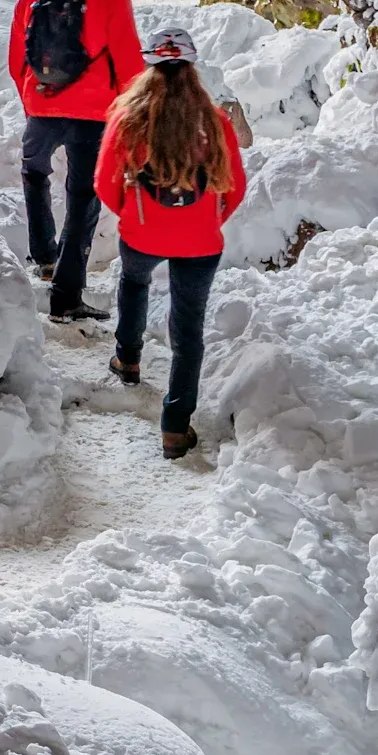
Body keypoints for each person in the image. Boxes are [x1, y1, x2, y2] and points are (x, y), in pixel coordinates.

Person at [98, 27, 247, 457]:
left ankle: (127, 358)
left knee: (134, 282)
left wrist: (133, 215)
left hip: (142, 234)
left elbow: (105, 184)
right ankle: (175, 428)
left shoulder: (130, 120)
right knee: (188, 330)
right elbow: (234, 185)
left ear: (150, 68)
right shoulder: (214, 121)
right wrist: (208, 219)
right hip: (200, 242)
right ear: (192, 68)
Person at [8, 0, 142, 320]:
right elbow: (130, 66)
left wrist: (33, 102)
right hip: (93, 114)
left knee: (35, 174)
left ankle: (44, 254)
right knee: (84, 196)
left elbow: (17, 59)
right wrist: (127, 114)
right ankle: (66, 295)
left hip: (41, 107)